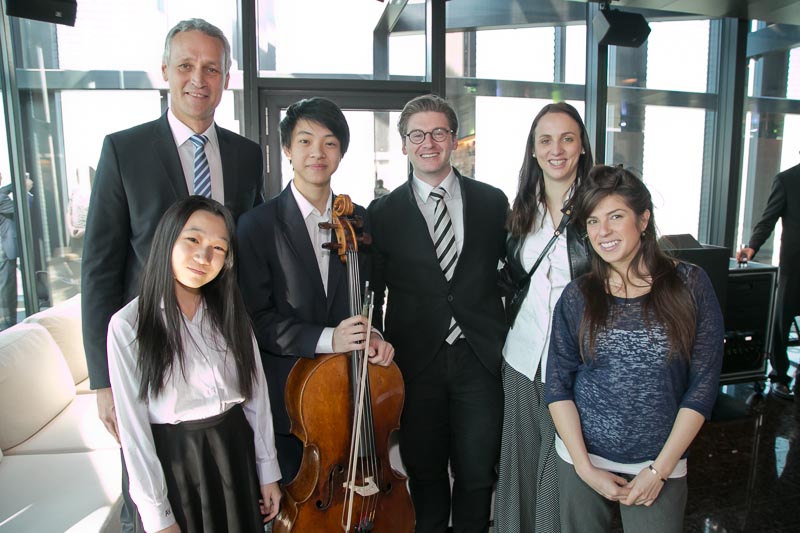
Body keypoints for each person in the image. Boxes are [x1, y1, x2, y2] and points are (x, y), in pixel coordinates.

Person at [81, 18, 264, 531]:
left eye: (211, 68)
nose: (197, 79)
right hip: (150, 358)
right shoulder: (124, 150)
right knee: (152, 505)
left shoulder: (247, 156)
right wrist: (103, 382)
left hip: (219, 351)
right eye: (186, 65)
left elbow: (245, 259)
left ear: (226, 78)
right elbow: (99, 268)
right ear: (164, 70)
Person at [546, 165, 724, 533]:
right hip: (582, 459)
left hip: (660, 463)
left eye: (615, 216)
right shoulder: (578, 295)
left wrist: (659, 470)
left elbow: (703, 385)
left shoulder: (690, 284)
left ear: (643, 220)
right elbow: (558, 385)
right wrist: (584, 467)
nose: (603, 231)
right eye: (593, 221)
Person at [367, 94, 508, 532]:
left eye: (438, 133)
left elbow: (510, 274)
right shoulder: (382, 213)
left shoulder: (493, 202)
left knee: (477, 476)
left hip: (479, 359)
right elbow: (373, 291)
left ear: (454, 139)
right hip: (414, 364)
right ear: (404, 144)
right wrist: (375, 337)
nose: (428, 143)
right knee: (425, 476)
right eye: (417, 135)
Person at [236, 97, 395, 483]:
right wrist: (328, 338)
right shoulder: (257, 225)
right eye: (305, 141)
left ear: (341, 152)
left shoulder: (358, 218)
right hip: (291, 402)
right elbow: (256, 320)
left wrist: (372, 334)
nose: (317, 153)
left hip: (352, 392)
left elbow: (369, 297)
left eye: (330, 142)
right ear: (287, 149)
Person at [108, 197, 281, 533]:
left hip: (235, 454)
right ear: (168, 239)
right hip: (177, 468)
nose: (204, 256)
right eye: (193, 240)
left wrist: (268, 471)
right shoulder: (129, 326)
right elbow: (133, 433)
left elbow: (256, 399)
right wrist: (158, 516)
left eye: (219, 248)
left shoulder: (231, 314)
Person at [494, 102, 594, 532]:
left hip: (578, 365)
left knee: (561, 470)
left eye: (567, 139)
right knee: (517, 468)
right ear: (533, 150)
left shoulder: (599, 206)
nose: (557, 150)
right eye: (546, 140)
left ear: (582, 147)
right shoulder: (520, 209)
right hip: (521, 357)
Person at [737, 161, 800, 400]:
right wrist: (752, 247)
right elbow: (768, 219)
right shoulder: (787, 180)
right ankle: (779, 376)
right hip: (794, 266)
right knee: (782, 321)